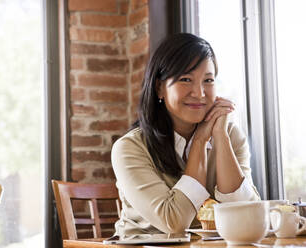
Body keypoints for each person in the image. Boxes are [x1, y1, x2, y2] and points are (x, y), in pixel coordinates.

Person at [111, 33, 260, 236]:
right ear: (159, 88)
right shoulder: (129, 148)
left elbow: (246, 217)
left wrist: (221, 138)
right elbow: (174, 222)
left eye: (208, 80)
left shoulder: (229, 135)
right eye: (186, 79)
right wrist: (200, 141)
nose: (199, 93)